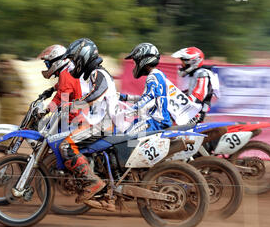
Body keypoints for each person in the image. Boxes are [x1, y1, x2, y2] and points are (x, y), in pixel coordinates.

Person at [58, 38, 119, 212]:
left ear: (82, 57)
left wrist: (73, 105)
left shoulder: (97, 73)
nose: (73, 64)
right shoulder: (98, 73)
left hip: (102, 124)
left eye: (74, 59)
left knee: (66, 146)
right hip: (101, 122)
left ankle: (92, 183)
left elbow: (95, 95)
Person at [119, 43, 173, 132]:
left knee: (124, 137)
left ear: (143, 60)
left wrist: (125, 113)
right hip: (158, 120)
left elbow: (146, 100)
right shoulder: (159, 74)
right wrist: (124, 97)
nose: (135, 65)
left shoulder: (152, 77)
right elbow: (149, 98)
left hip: (155, 121)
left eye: (136, 62)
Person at [171, 47, 220, 123]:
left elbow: (198, 96)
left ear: (192, 62)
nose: (182, 65)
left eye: (183, 63)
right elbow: (189, 92)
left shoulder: (202, 74)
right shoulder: (194, 74)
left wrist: (181, 104)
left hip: (196, 114)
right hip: (189, 110)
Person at [37, 44, 83, 124]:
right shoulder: (68, 69)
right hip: (71, 114)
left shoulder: (65, 74)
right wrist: (52, 89)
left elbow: (62, 96)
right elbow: (64, 85)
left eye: (48, 64)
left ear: (56, 61)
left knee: (47, 134)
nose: (48, 67)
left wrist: (46, 110)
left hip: (71, 120)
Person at [0, 53, 25, 125]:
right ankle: (3, 135)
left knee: (13, 119)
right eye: (3, 63)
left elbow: (21, 83)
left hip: (13, 99)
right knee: (2, 118)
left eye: (7, 62)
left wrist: (18, 91)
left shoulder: (15, 73)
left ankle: (11, 135)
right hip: (3, 98)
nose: (5, 64)